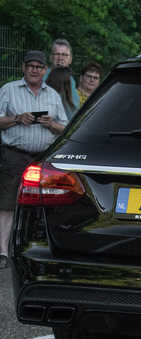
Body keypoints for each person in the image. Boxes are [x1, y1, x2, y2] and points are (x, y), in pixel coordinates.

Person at [0, 51, 68, 269]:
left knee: (43, 204)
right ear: (23, 67)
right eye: (31, 66)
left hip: (42, 158)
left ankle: (37, 249)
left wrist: (50, 124)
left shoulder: (53, 96)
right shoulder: (8, 90)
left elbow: (64, 128)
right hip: (14, 154)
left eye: (39, 67)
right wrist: (17, 119)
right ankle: (3, 251)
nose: (35, 70)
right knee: (7, 203)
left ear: (45, 70)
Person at [43, 39, 80, 110]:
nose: (60, 58)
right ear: (51, 58)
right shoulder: (41, 76)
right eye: (57, 54)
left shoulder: (71, 80)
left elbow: (73, 109)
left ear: (70, 60)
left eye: (64, 55)